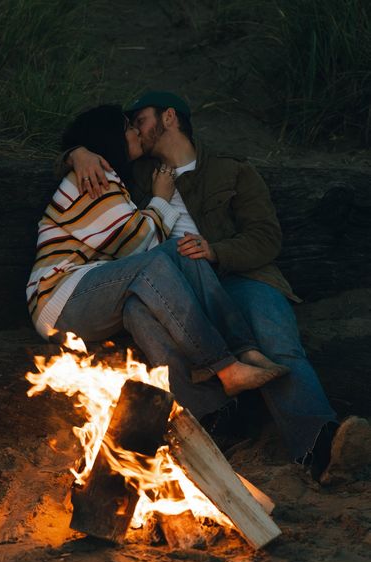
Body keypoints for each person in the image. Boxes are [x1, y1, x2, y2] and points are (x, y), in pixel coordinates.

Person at [65, 92, 371, 484]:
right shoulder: (139, 178)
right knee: (141, 315)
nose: (135, 129)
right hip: (179, 290)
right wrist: (76, 153)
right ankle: (218, 426)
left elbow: (265, 237)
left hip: (243, 280)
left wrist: (216, 251)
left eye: (140, 119)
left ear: (169, 117)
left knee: (276, 344)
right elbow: (95, 150)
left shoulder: (232, 172)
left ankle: (320, 449)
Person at [27, 104, 290, 409]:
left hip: (97, 293)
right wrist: (161, 198)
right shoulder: (91, 179)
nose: (136, 132)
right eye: (128, 127)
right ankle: (225, 363)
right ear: (111, 137)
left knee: (149, 297)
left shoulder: (114, 181)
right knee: (163, 258)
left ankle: (207, 408)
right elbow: (139, 245)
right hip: (59, 297)